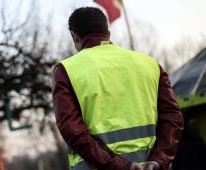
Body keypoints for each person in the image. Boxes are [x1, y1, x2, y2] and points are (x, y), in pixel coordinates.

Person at [52, 7, 184, 170]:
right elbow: (173, 117)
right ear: (108, 33)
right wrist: (160, 159)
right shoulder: (151, 65)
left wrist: (120, 165)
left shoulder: (66, 70)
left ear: (75, 36)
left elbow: (72, 130)